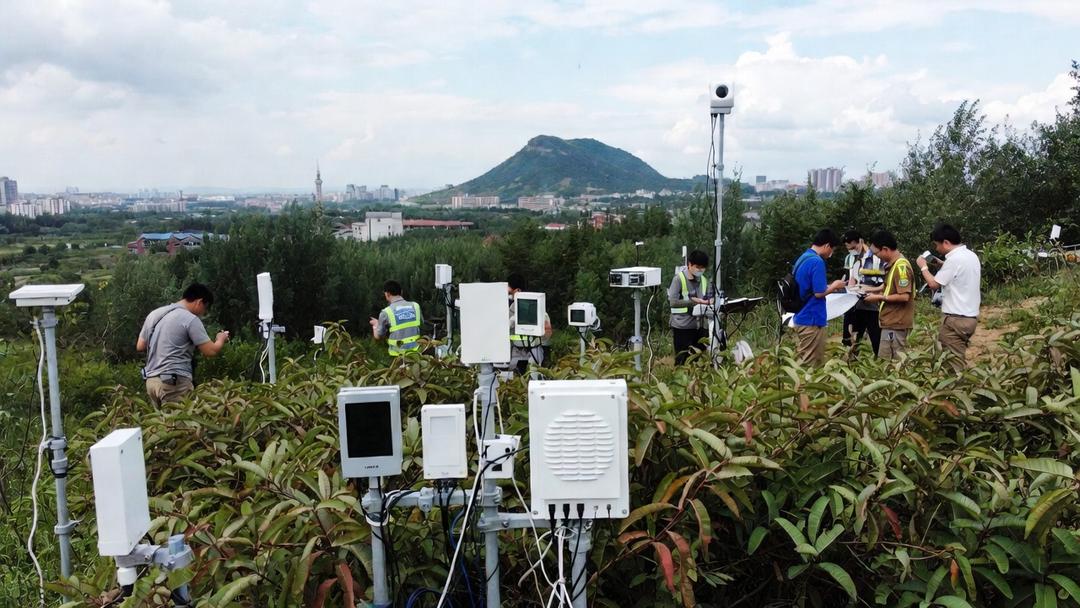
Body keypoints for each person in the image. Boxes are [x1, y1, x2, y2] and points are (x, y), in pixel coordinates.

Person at [136, 283, 229, 407]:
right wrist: (220, 339)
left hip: (151, 381)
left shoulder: (155, 314)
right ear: (199, 302)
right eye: (205, 308)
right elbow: (210, 351)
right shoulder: (190, 319)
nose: (203, 313)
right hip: (174, 382)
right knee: (180, 424)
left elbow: (140, 346)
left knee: (161, 424)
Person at [916, 223, 981, 370]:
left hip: (955, 321)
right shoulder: (970, 255)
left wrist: (923, 266)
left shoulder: (954, 260)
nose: (936, 249)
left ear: (946, 242)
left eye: (936, 245)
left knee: (953, 365)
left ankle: (959, 391)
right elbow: (956, 272)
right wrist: (940, 264)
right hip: (970, 318)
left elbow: (934, 284)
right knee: (958, 357)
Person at [791, 230, 848, 366]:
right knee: (811, 363)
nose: (831, 254)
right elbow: (819, 293)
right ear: (827, 246)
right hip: (812, 318)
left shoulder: (804, 257)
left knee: (804, 357)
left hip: (801, 315)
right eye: (832, 250)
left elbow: (810, 286)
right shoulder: (817, 262)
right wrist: (835, 285)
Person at [864, 230, 915, 359]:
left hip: (896, 322)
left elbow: (904, 296)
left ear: (885, 249)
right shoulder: (892, 265)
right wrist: (869, 290)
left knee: (894, 362)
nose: (877, 257)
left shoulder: (900, 267)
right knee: (885, 360)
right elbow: (889, 287)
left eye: (877, 253)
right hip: (890, 321)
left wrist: (879, 297)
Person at [842, 230, 886, 357]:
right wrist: (849, 289)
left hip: (873, 306)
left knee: (876, 339)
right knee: (853, 340)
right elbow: (852, 279)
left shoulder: (876, 259)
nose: (852, 250)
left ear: (860, 241)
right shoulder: (852, 258)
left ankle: (881, 367)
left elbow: (883, 285)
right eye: (848, 248)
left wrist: (865, 289)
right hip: (856, 305)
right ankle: (852, 366)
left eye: (854, 247)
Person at [668, 250, 714, 365]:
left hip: (700, 327)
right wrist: (692, 302)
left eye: (703, 268)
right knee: (682, 360)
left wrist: (710, 301)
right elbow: (673, 302)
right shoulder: (678, 279)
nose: (700, 270)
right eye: (697, 267)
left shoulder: (704, 280)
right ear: (689, 264)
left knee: (698, 360)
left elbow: (709, 297)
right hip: (682, 326)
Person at [507, 273, 552, 375]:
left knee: (535, 372)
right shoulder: (512, 309)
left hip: (534, 350)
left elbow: (547, 335)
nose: (509, 294)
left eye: (510, 291)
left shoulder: (535, 306)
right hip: (516, 351)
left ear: (518, 290)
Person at [370, 280, 423, 357]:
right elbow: (420, 324)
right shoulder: (416, 306)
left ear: (387, 294)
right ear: (401, 292)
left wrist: (375, 325)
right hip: (416, 355)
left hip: (397, 357)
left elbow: (378, 336)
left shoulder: (386, 312)